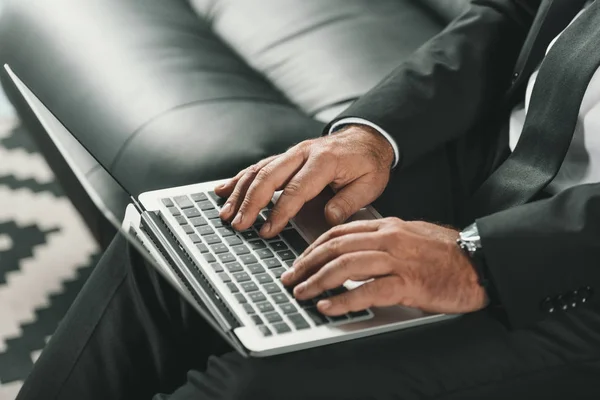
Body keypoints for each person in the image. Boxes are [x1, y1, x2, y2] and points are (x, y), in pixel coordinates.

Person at [15, 0, 600, 399]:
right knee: (185, 246)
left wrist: (483, 258)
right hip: (510, 153)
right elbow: (514, 13)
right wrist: (369, 134)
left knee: (260, 385)